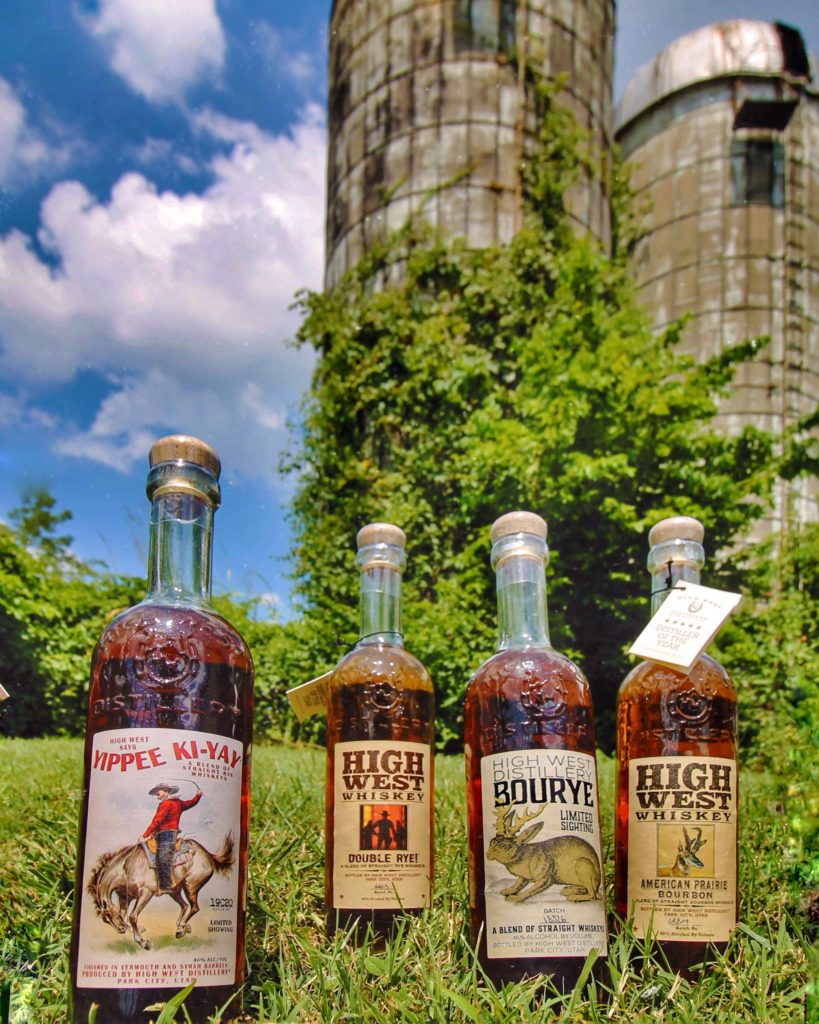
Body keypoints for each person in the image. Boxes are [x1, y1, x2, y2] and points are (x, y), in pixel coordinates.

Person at [143, 783, 202, 892]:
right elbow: (191, 803)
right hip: (162, 834)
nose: (157, 796)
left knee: (162, 858)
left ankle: (166, 886)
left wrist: (145, 835)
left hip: (167, 835)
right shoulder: (178, 803)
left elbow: (157, 820)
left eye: (159, 793)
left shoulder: (167, 804)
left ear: (166, 791)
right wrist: (198, 795)